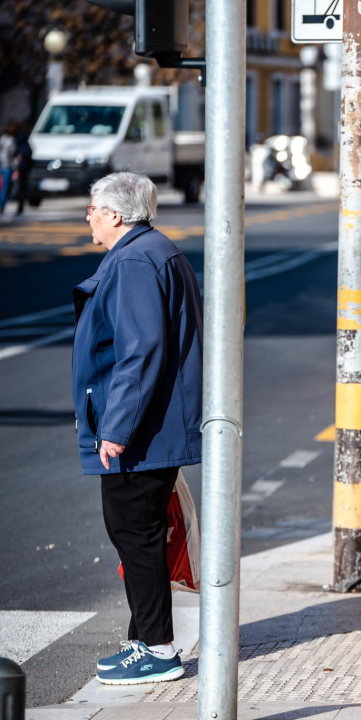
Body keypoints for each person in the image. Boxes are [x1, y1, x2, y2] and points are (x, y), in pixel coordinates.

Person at [72, 172, 203, 685]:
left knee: (134, 531)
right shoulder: (153, 251)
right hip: (155, 424)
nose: (88, 216)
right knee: (140, 531)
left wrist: (116, 427)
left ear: (116, 215)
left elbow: (140, 349)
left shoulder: (131, 260)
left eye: (93, 208)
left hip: (143, 429)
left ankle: (157, 648)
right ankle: (143, 638)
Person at [12, 128, 32, 215]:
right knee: (22, 188)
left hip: (20, 168)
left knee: (20, 187)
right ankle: (20, 204)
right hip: (24, 168)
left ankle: (20, 205)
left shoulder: (18, 143)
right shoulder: (26, 144)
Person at [0, 122, 16, 217]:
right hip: (7, 166)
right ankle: (1, 206)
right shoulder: (11, 140)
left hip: (1, 165)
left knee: (1, 187)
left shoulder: (2, 138)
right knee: (5, 188)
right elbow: (12, 153)